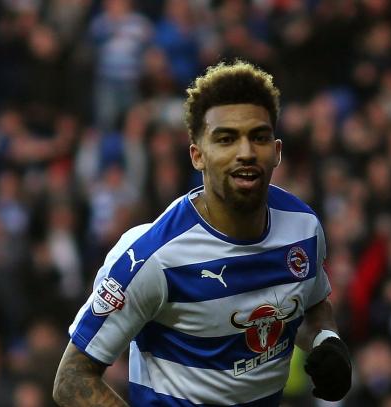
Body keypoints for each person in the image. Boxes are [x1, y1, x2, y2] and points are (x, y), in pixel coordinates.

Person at [53, 60, 351, 406]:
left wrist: (327, 341)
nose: (245, 152)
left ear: (277, 151)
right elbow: (72, 379)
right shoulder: (153, 256)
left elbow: (313, 306)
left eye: (259, 137)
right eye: (226, 139)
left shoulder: (303, 227)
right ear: (198, 156)